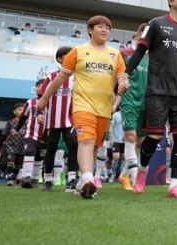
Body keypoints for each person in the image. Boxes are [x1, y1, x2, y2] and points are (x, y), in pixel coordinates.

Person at [118, 0, 177, 199]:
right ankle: (142, 171)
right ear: (170, 1)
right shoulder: (156, 24)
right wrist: (126, 74)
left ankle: (173, 185)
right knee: (154, 137)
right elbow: (139, 51)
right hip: (157, 91)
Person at [38, 15, 126, 199]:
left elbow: (121, 77)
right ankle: (87, 178)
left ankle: (82, 180)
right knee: (85, 141)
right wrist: (44, 99)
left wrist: (124, 84)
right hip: (82, 106)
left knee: (94, 146)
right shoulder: (77, 51)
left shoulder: (115, 54)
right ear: (90, 30)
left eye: (108, 28)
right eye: (100, 27)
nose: (104, 30)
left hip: (104, 109)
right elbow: (60, 79)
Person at [38, 46, 79, 193]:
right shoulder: (52, 76)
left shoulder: (78, 76)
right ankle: (48, 180)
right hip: (53, 119)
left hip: (71, 118)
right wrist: (40, 113)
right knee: (51, 148)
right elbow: (42, 97)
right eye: (68, 56)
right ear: (60, 59)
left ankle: (72, 179)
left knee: (74, 144)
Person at [115, 22, 149, 191]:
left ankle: (124, 174)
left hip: (146, 102)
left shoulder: (154, 57)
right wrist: (116, 101)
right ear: (137, 36)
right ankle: (136, 179)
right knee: (130, 137)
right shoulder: (124, 54)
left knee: (141, 142)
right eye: (142, 35)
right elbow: (119, 78)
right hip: (128, 99)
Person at [13, 80, 46, 189]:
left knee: (39, 156)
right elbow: (23, 117)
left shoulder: (52, 102)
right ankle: (26, 177)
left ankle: (34, 178)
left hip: (45, 134)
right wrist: (17, 130)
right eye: (38, 87)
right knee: (29, 150)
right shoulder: (30, 102)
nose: (40, 88)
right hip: (31, 133)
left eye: (42, 86)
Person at [0, 103, 25, 186]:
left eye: (23, 110)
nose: (22, 112)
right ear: (14, 112)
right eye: (19, 110)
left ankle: (14, 177)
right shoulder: (10, 123)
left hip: (22, 146)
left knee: (18, 164)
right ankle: (10, 179)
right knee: (10, 161)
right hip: (11, 146)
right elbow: (3, 135)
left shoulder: (27, 123)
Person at [110, 108, 125, 182]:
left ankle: (122, 176)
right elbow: (112, 127)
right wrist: (111, 139)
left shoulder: (127, 114)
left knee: (124, 158)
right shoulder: (116, 115)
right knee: (116, 158)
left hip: (125, 141)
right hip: (116, 140)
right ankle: (113, 174)